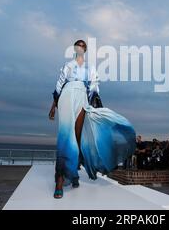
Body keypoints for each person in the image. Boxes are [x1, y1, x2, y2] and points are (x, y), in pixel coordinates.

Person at [48, 40, 136, 199]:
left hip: (82, 97)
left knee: (77, 137)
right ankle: (59, 180)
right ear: (74, 49)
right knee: (65, 136)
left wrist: (96, 105)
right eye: (77, 45)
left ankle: (73, 175)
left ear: (85, 49)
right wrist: (53, 106)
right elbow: (59, 86)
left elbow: (94, 88)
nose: (80, 47)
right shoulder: (67, 66)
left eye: (82, 45)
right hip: (67, 95)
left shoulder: (91, 68)